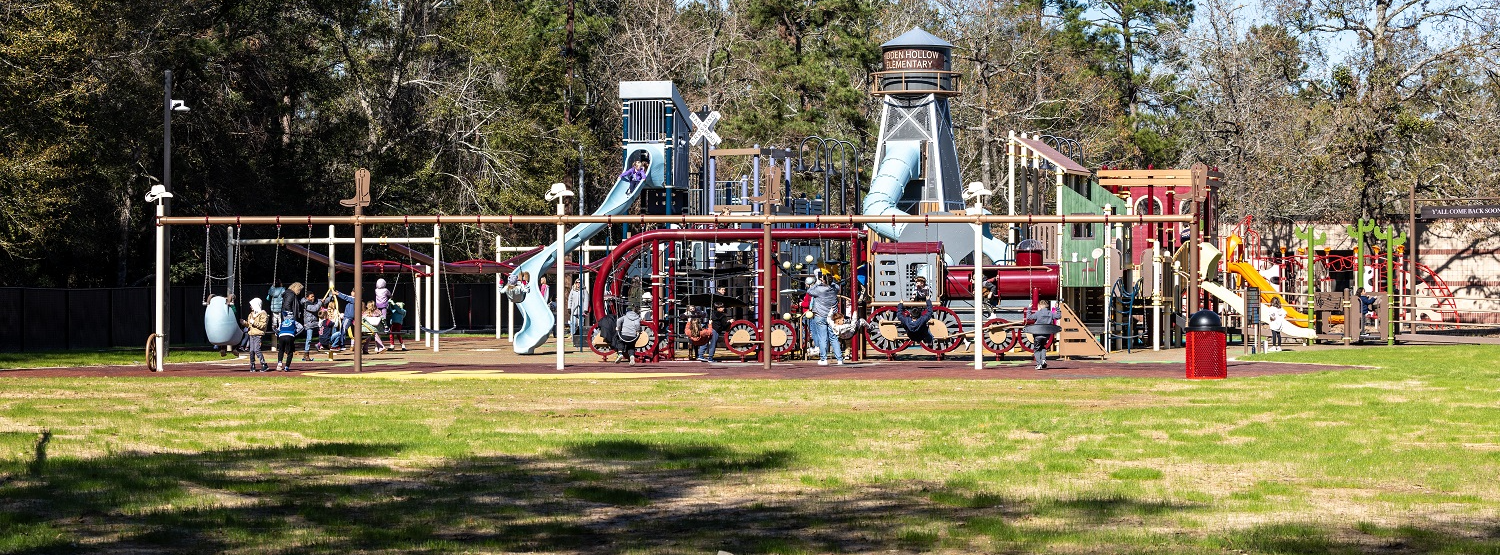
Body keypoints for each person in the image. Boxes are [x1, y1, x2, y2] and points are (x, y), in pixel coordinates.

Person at [806, 273, 843, 366]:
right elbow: (836, 286)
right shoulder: (834, 289)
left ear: (823, 280)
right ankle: (839, 359)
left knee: (823, 338)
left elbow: (809, 291)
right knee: (834, 337)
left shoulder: (819, 289)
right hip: (832, 317)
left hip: (820, 315)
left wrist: (817, 283)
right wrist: (830, 281)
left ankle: (824, 359)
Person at [1025, 301, 1058, 370]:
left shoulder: (1038, 313)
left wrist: (1029, 308)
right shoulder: (1051, 313)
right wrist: (1057, 308)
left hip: (1038, 334)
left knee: (1037, 349)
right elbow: (1058, 316)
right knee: (1043, 347)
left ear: (1040, 306)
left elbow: (1029, 317)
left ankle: (1039, 364)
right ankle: (1043, 360)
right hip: (1046, 335)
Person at [299, 291, 328, 361]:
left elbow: (323, 301)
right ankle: (306, 353)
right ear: (307, 297)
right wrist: (320, 303)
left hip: (315, 322)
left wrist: (330, 297)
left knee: (325, 331)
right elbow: (314, 308)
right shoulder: (306, 304)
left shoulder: (316, 301)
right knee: (309, 338)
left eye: (313, 296)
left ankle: (321, 344)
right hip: (309, 323)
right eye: (311, 297)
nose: (313, 298)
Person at [245, 298, 270, 372]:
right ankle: (252, 365)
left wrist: (253, 322)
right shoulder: (251, 314)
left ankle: (264, 364)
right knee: (251, 351)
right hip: (251, 334)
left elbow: (263, 325)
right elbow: (249, 324)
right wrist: (245, 323)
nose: (251, 307)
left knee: (257, 350)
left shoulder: (263, 314)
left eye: (252, 305)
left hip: (258, 334)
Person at [567, 279, 587, 350]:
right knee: (573, 324)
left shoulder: (584, 290)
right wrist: (569, 308)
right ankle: (573, 338)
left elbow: (586, 300)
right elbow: (570, 299)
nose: (578, 284)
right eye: (577, 283)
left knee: (581, 325)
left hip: (581, 310)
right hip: (574, 310)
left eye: (579, 283)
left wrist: (585, 309)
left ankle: (580, 339)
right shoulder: (573, 290)